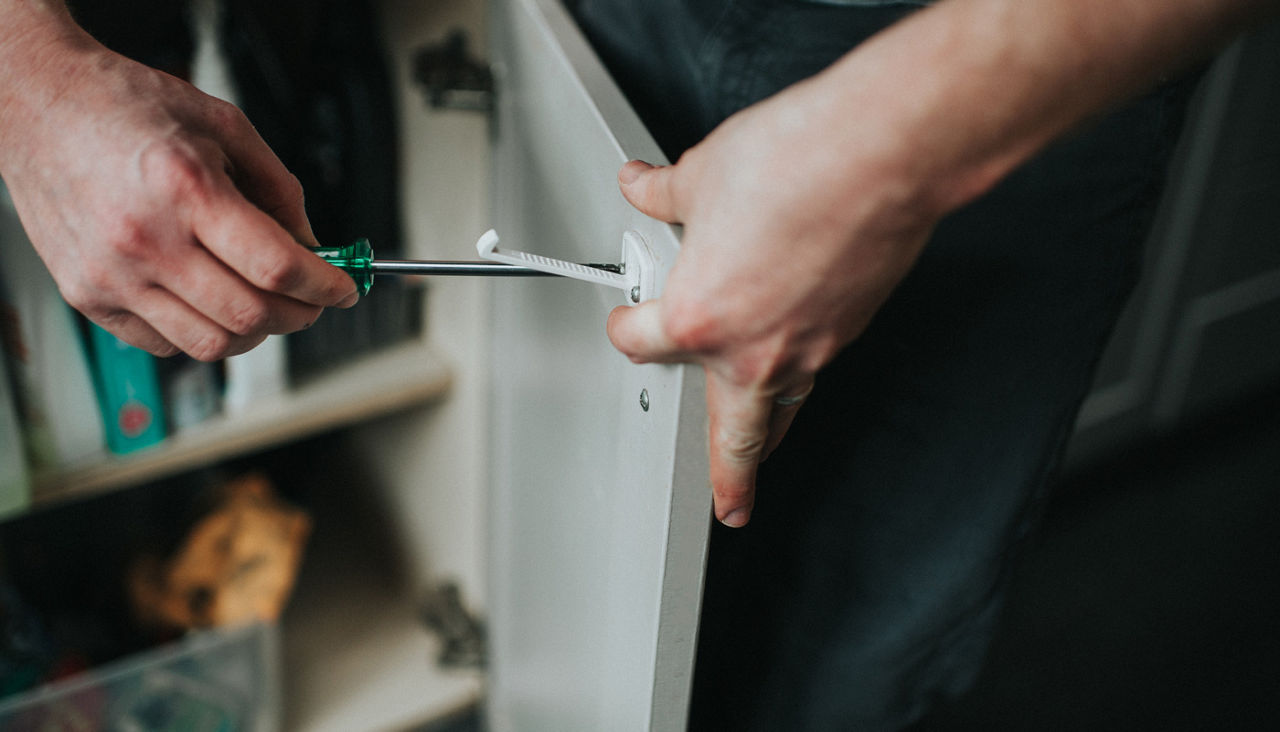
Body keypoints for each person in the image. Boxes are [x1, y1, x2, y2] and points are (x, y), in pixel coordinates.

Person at [2, 0, 1275, 728]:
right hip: (593, 23)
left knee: (849, 659)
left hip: (995, 60)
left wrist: (898, 153)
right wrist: (26, 75)